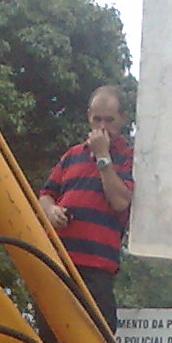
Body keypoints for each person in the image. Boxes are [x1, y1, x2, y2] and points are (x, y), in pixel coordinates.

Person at [38, 86, 134, 329]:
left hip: (96, 269)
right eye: (96, 119)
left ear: (123, 118)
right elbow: (46, 195)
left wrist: (103, 156)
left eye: (109, 120)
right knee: (51, 340)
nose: (102, 127)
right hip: (59, 262)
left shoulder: (129, 157)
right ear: (88, 116)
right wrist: (51, 211)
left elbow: (121, 200)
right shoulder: (72, 155)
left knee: (98, 338)